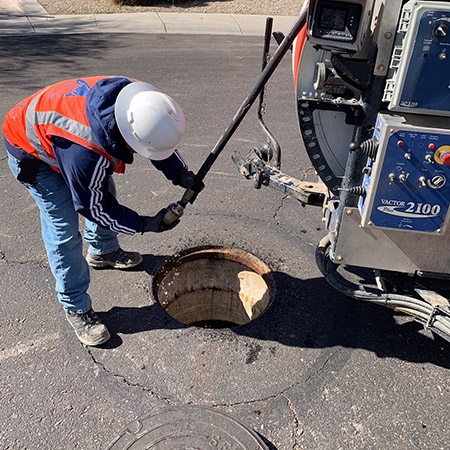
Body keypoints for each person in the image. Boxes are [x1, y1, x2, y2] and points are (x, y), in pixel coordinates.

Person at [2, 76, 198, 346]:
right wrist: (145, 224)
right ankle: (75, 306)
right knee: (64, 230)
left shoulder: (137, 100)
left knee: (102, 187)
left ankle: (103, 250)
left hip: (61, 136)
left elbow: (154, 142)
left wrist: (180, 174)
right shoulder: (87, 152)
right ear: (129, 138)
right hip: (31, 150)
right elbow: (94, 206)